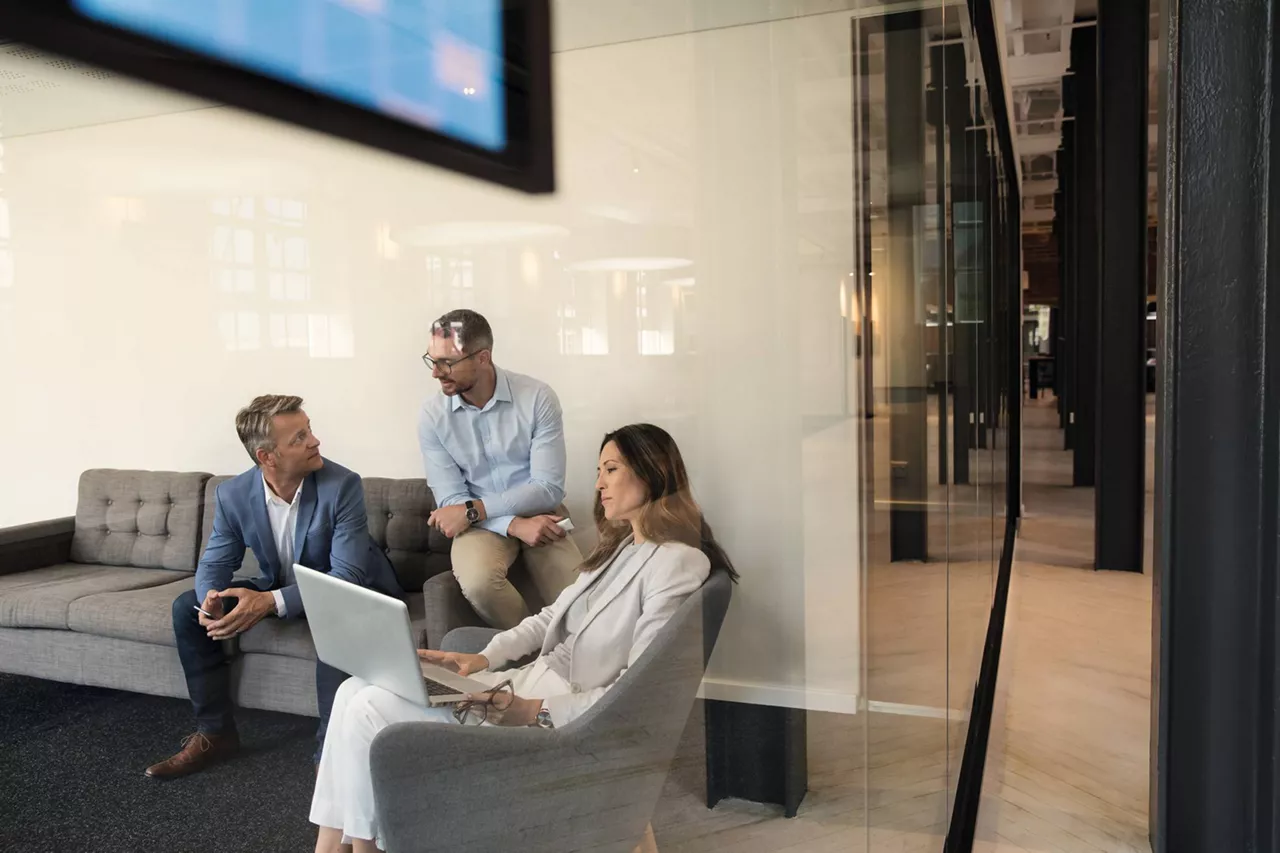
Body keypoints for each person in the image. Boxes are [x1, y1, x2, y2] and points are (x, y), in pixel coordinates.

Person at [311, 423, 737, 853]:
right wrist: (480, 660)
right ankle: (332, 846)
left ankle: (353, 849)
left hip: (547, 720)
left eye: (610, 469)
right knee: (352, 689)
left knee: (366, 709)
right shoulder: (624, 548)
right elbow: (549, 616)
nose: (598, 484)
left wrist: (531, 711)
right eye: (599, 471)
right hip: (518, 687)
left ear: (651, 472)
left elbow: (638, 694)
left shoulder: (677, 564)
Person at [145, 395, 401, 779]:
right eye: (299, 437)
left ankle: (329, 763)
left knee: (338, 618)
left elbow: (346, 577)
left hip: (353, 592)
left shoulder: (341, 485)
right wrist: (210, 600)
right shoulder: (233, 494)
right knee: (187, 608)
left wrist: (269, 602)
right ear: (267, 457)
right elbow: (215, 561)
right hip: (285, 586)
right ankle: (215, 733)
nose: (315, 441)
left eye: (309, 429)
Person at [418, 309, 582, 629]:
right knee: (479, 584)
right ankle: (531, 651)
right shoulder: (432, 416)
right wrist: (513, 525)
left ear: (483, 357)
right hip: (478, 525)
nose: (436, 373)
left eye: (447, 362)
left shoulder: (537, 398)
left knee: (579, 599)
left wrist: (474, 509)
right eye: (431, 359)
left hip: (539, 511)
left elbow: (547, 487)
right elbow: (452, 499)